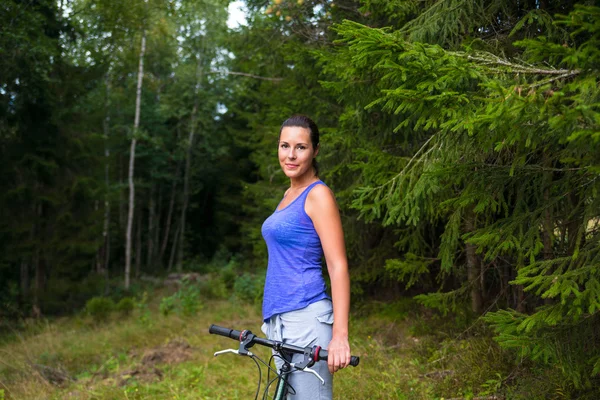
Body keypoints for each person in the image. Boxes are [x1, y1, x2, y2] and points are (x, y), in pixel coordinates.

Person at [261, 114, 351, 399]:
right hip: (279, 321)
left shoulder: (318, 195)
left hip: (307, 318)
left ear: (315, 150)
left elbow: (337, 266)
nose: (290, 155)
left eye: (300, 147)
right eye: (284, 145)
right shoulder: (289, 194)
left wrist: (340, 336)